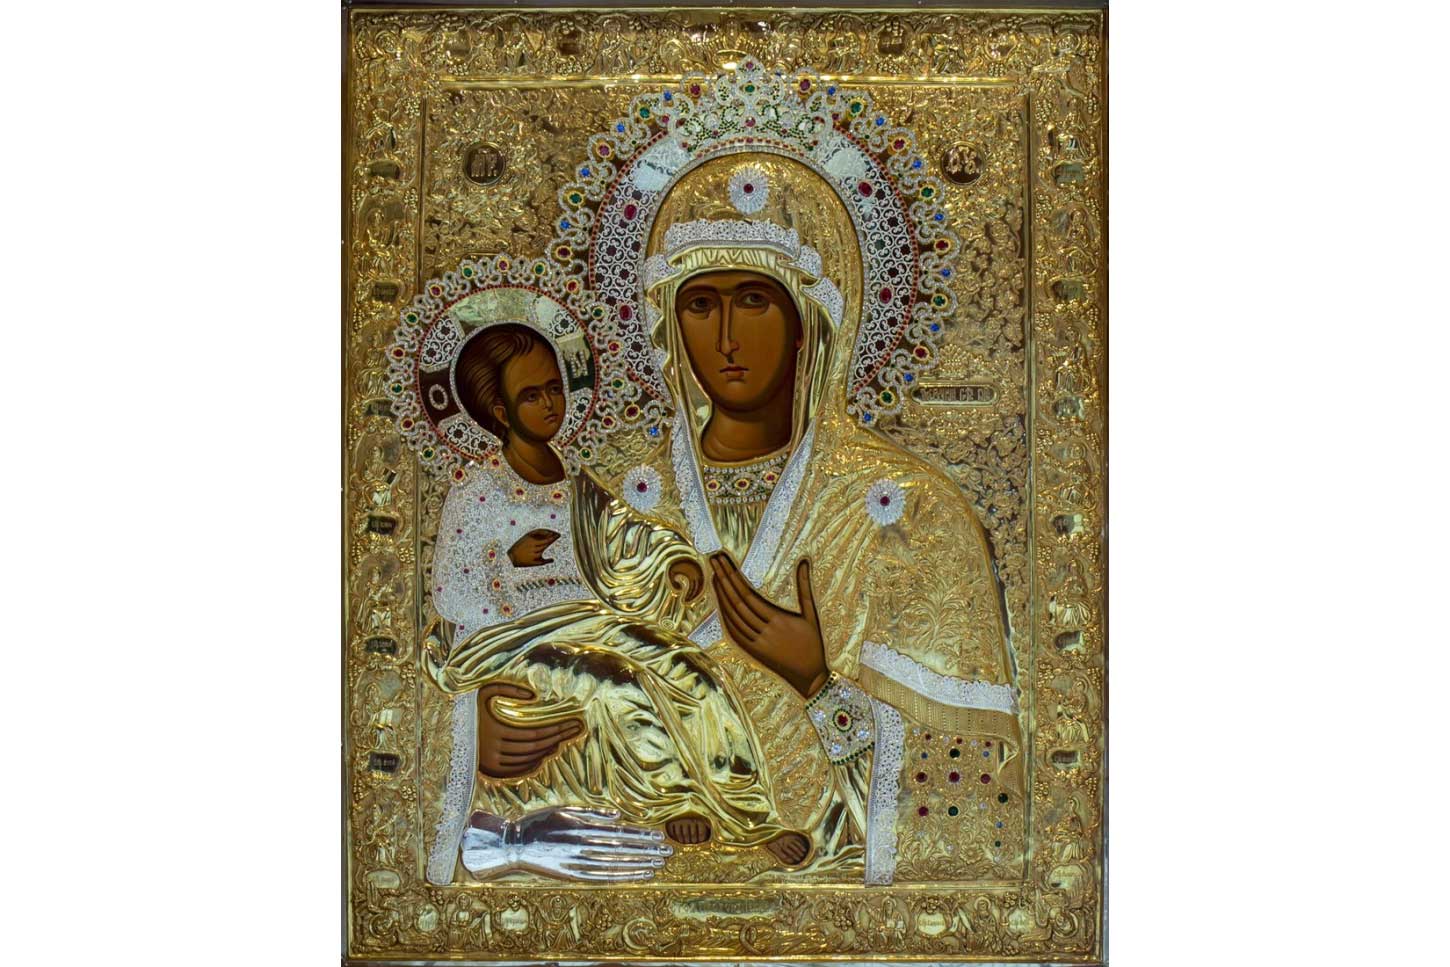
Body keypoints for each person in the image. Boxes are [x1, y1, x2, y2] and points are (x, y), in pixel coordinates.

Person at [427, 321, 807, 884]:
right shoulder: (478, 491)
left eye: (555, 388)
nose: (550, 404)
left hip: (589, 621)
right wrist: (510, 560)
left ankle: (752, 815)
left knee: (690, 669)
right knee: (614, 681)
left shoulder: (576, 482)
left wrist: (672, 559)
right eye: (531, 395)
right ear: (501, 412)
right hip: (511, 640)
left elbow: (626, 534)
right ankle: (671, 799)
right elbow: (450, 592)